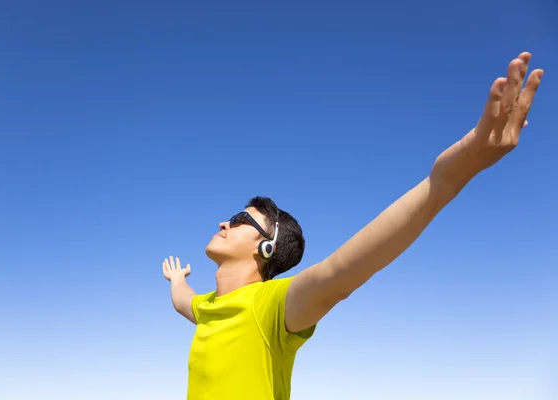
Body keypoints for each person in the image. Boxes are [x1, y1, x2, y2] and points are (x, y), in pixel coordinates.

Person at [162, 52, 544, 400]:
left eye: (242, 219)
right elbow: (183, 301)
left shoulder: (271, 308)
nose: (224, 223)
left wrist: (443, 184)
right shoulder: (208, 307)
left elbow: (342, 270)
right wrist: (177, 279)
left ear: (267, 248)